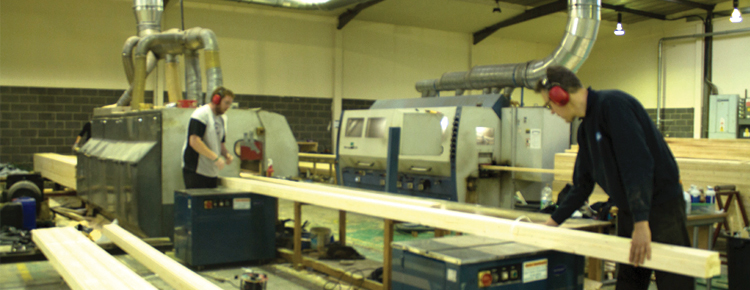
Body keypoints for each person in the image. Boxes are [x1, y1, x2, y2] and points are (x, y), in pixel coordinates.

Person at [535, 66, 693, 290]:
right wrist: (552, 223)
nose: (551, 111)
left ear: (559, 96)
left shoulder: (613, 106)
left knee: (675, 282)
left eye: (548, 104)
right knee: (629, 282)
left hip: (661, 208)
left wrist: (641, 222)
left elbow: (638, 165)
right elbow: (582, 185)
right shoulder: (585, 129)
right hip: (632, 211)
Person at [182, 87, 235, 189]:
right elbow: (194, 141)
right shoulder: (201, 114)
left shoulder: (223, 118)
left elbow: (220, 143)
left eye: (230, 104)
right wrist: (215, 158)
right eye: (226, 103)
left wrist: (226, 154)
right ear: (216, 100)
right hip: (196, 169)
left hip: (211, 170)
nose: (228, 106)